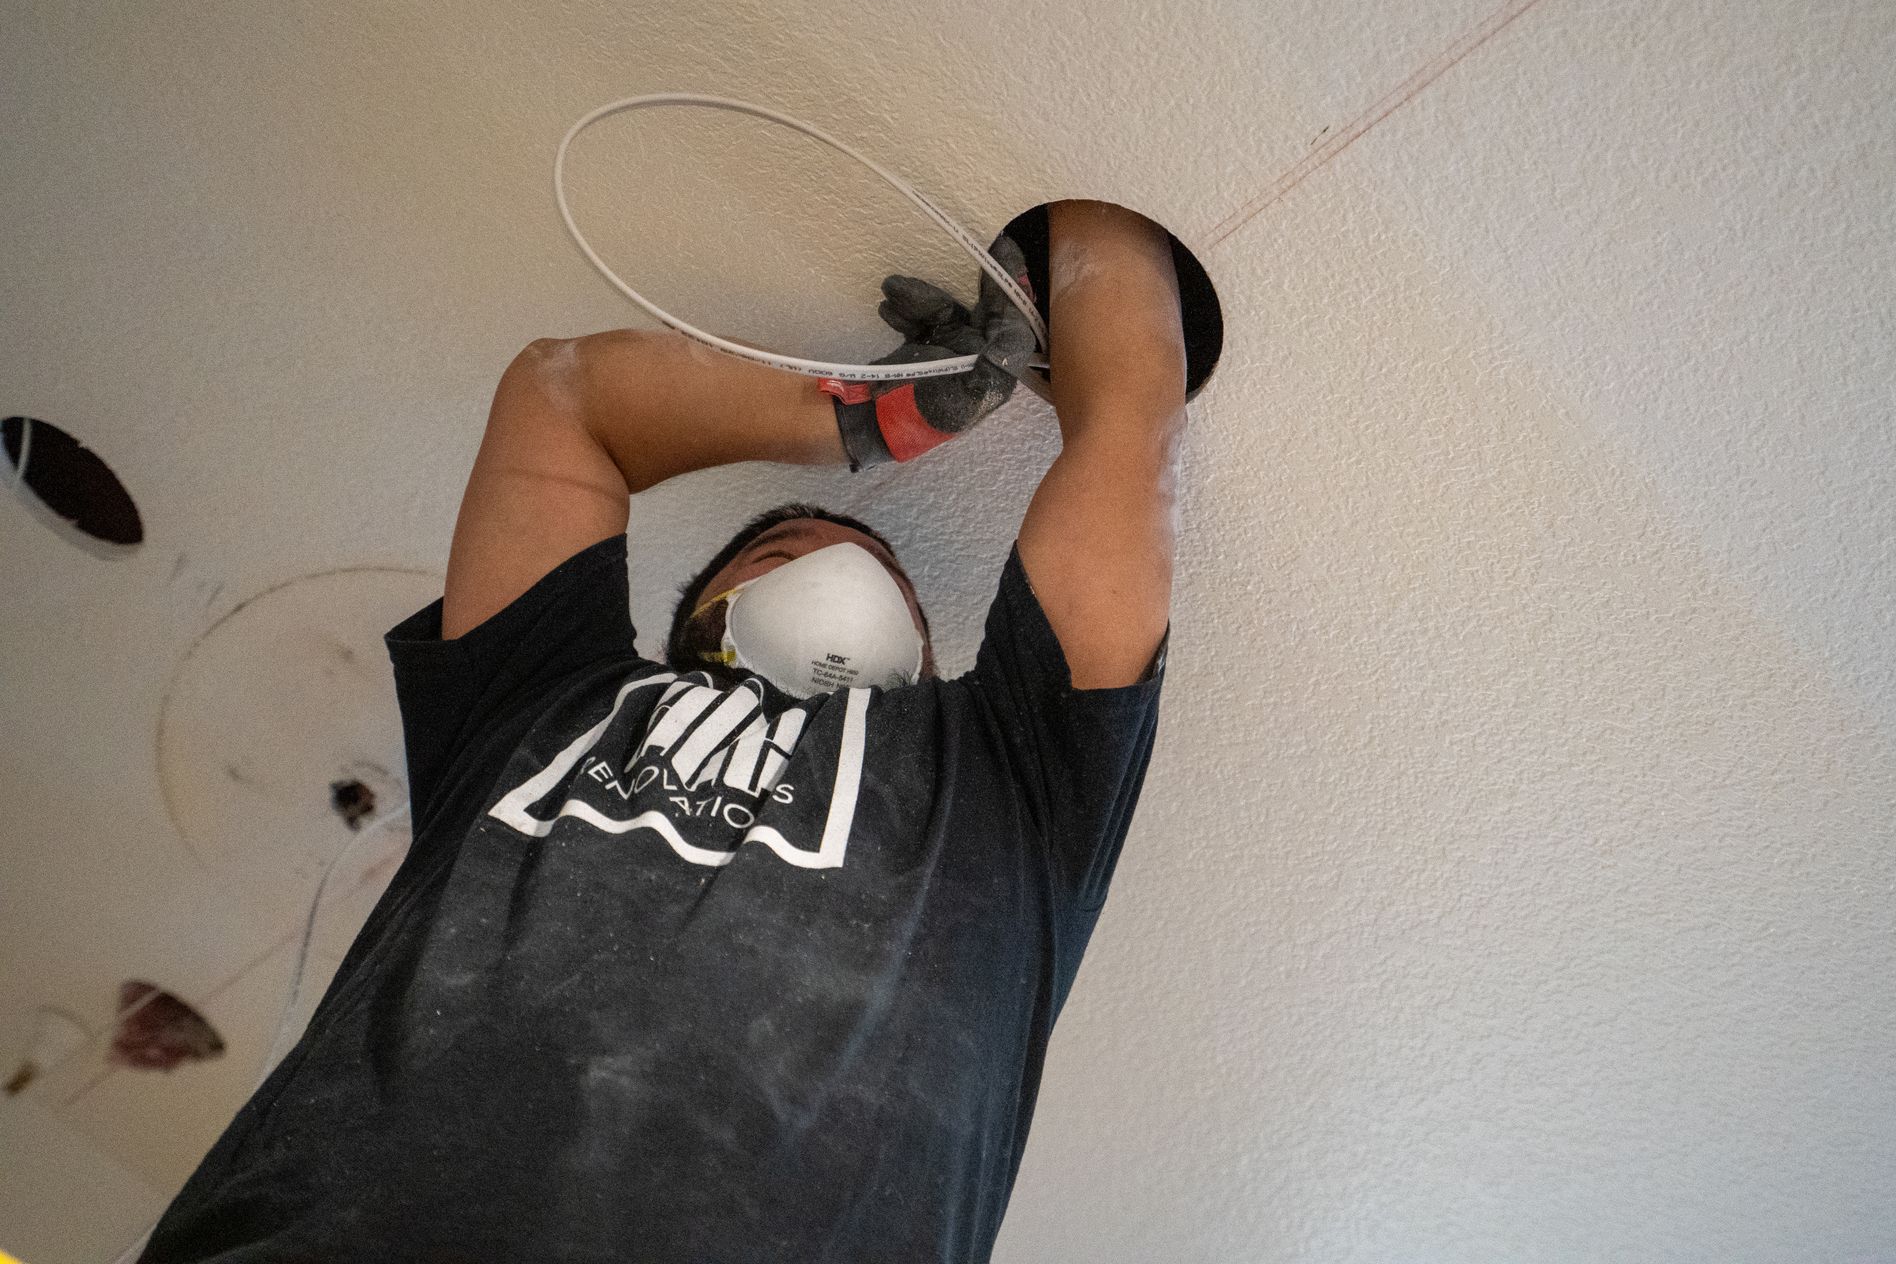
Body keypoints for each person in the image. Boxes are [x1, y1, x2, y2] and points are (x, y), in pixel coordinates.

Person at [138, 200, 1188, 1262]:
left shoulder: (1011, 774)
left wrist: (1079, 266)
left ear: (925, 664)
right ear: (700, 620)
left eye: (884, 582)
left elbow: (1123, 420)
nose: (829, 563)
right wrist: (879, 416)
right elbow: (562, 398)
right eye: (783, 545)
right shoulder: (542, 697)